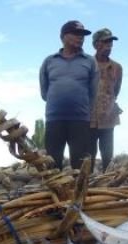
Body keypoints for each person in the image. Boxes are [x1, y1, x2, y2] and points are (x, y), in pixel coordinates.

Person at [40, 21, 97, 171]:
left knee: (80, 166)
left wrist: (82, 108)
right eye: (76, 34)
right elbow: (44, 92)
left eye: (82, 35)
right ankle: (54, 194)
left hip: (80, 121)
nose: (81, 38)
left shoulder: (90, 61)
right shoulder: (49, 61)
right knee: (52, 165)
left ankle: (79, 194)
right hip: (54, 119)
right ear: (64, 36)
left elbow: (93, 92)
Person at [89, 28, 123, 173]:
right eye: (106, 42)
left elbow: (116, 91)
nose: (109, 45)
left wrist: (107, 104)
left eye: (111, 42)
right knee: (88, 154)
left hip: (108, 117)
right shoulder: (87, 64)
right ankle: (87, 184)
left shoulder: (117, 67)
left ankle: (107, 182)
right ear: (96, 44)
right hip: (88, 118)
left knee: (107, 154)